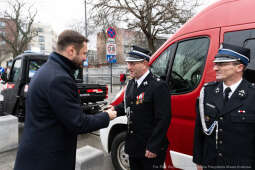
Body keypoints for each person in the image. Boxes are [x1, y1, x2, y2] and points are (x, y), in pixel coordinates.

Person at [14, 30, 116, 170]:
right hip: (47, 161)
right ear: (71, 51)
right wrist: (106, 116)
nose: (85, 58)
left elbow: (63, 114)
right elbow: (78, 123)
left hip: (35, 157)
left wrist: (96, 113)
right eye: (84, 53)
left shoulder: (46, 70)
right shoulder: (59, 78)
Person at [193, 43, 255, 170]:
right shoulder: (208, 91)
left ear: (239, 67)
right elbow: (199, 129)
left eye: (222, 64)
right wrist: (199, 160)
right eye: (216, 64)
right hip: (211, 163)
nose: (215, 68)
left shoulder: (252, 94)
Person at [109, 45, 171, 170]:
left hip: (150, 149)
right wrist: (113, 110)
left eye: (132, 64)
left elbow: (163, 119)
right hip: (133, 146)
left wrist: (153, 146)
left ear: (144, 63)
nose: (128, 67)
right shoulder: (132, 83)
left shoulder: (158, 86)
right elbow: (128, 105)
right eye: (128, 63)